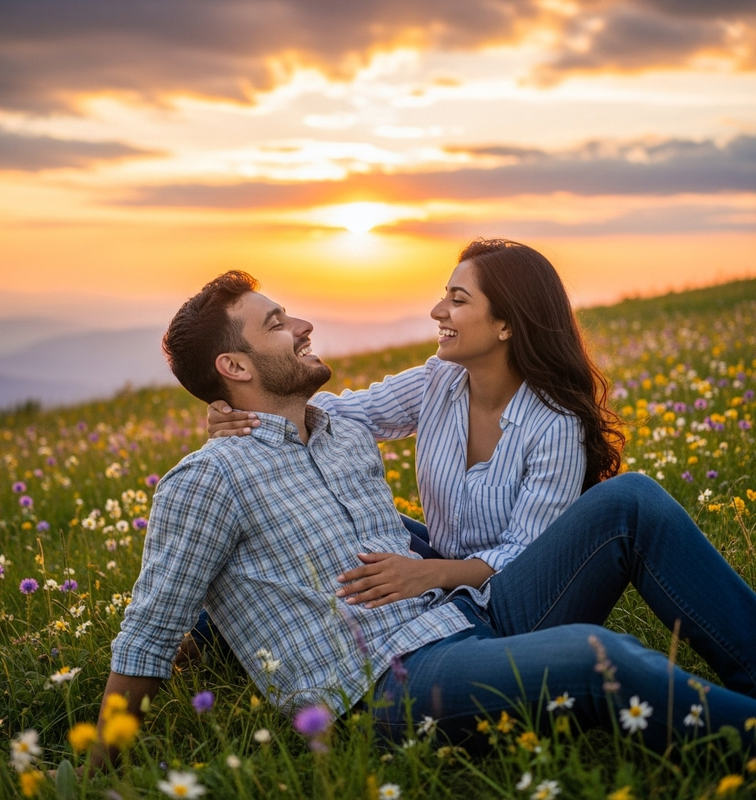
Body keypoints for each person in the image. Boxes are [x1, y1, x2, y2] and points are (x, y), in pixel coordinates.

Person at [91, 270, 756, 770]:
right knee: (595, 659)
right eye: (277, 324)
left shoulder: (340, 431)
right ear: (234, 367)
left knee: (631, 502)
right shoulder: (209, 479)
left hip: (471, 612)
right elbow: (145, 637)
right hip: (388, 686)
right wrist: (98, 771)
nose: (303, 328)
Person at [208, 238, 624, 605]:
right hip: (440, 565)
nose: (437, 311)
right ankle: (212, 632)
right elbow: (350, 414)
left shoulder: (556, 424)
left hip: (516, 597)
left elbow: (525, 556)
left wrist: (429, 574)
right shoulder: (439, 381)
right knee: (326, 521)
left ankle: (211, 638)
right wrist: (244, 415)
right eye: (444, 296)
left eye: (458, 301)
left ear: (506, 325)